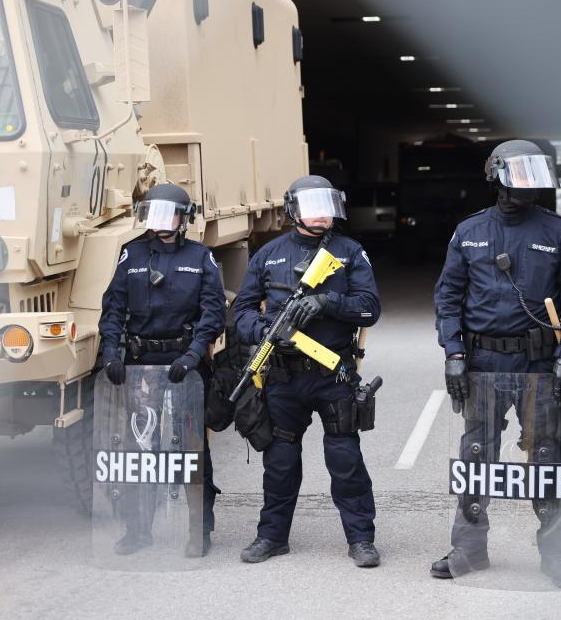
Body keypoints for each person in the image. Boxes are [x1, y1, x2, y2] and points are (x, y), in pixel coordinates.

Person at [433, 139, 561, 589]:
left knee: (547, 458)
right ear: (497, 176)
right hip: (482, 363)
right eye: (520, 174)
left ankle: (555, 556)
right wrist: (453, 353)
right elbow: (448, 297)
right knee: (476, 457)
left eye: (535, 174)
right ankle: (469, 550)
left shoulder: (558, 232)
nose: (529, 183)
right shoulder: (469, 231)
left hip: (540, 363)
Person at [232, 175, 382, 568]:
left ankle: (361, 539)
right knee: (280, 462)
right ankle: (271, 536)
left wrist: (326, 302)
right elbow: (241, 313)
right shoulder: (269, 254)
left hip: (333, 373)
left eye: (328, 207)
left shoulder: (350, 252)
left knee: (345, 460)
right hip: (284, 376)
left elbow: (370, 307)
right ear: (293, 211)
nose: (323, 216)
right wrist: (266, 331)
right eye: (314, 208)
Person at [98, 183, 226, 557]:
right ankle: (137, 531)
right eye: (153, 213)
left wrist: (194, 354)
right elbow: (114, 308)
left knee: (190, 451)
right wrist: (110, 353)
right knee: (142, 451)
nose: (159, 222)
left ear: (183, 218)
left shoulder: (201, 257)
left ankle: (198, 532)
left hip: (184, 367)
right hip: (141, 367)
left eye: (168, 213)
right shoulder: (131, 254)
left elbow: (213, 312)